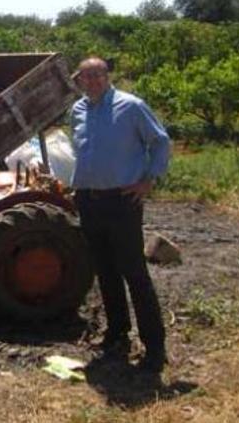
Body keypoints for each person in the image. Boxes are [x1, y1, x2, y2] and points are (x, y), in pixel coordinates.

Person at [69, 57, 171, 373]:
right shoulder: (78, 111)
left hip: (121, 201)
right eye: (88, 76)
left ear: (108, 76)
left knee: (134, 272)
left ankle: (154, 347)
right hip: (89, 200)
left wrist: (148, 179)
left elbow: (160, 141)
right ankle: (117, 334)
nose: (94, 80)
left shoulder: (131, 106)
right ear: (80, 80)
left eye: (99, 74)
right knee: (105, 271)